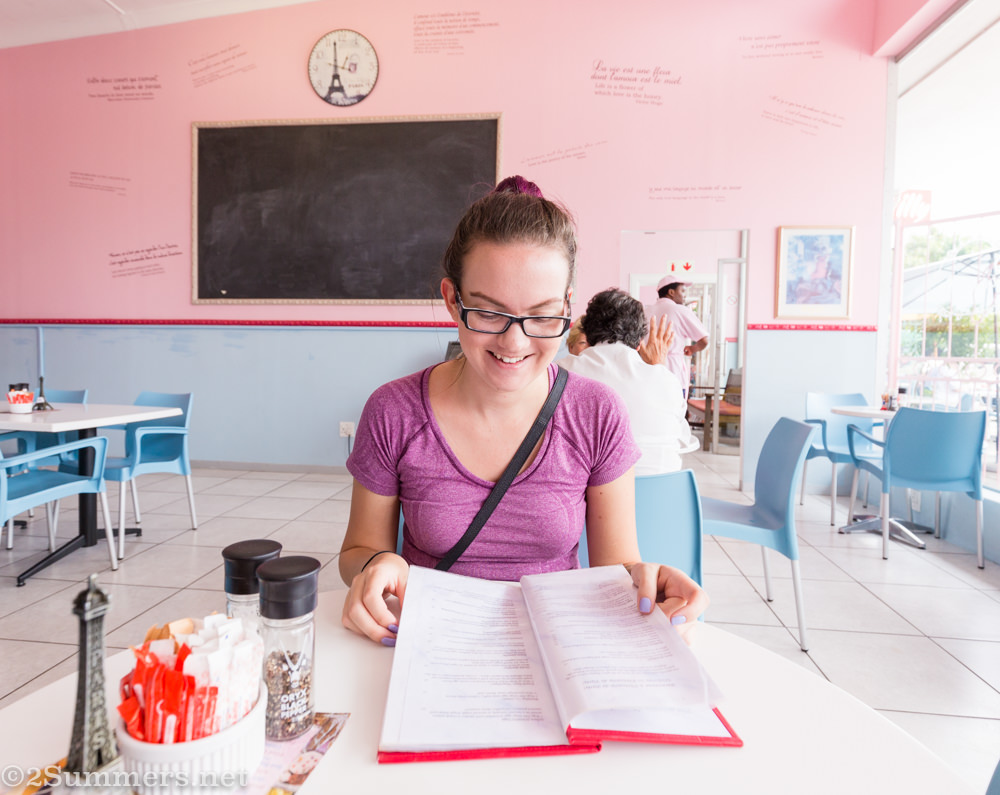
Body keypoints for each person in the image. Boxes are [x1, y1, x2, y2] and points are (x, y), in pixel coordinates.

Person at [339, 176, 707, 646]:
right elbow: (357, 549)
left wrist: (647, 581)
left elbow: (616, 568)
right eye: (490, 312)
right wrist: (376, 563)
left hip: (556, 647)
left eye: (542, 315)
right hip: (429, 644)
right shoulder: (394, 411)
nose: (515, 344)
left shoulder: (596, 413)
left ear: (568, 308)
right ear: (453, 300)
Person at [558, 288, 693, 474]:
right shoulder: (667, 380)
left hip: (594, 497)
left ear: (587, 336)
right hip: (665, 495)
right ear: (639, 343)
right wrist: (659, 369)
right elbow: (682, 439)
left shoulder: (558, 373)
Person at [646, 279, 709, 396]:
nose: (685, 295)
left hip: (646, 368)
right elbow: (704, 340)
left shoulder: (645, 310)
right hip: (672, 369)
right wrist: (693, 349)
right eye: (683, 291)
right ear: (671, 292)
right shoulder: (681, 310)